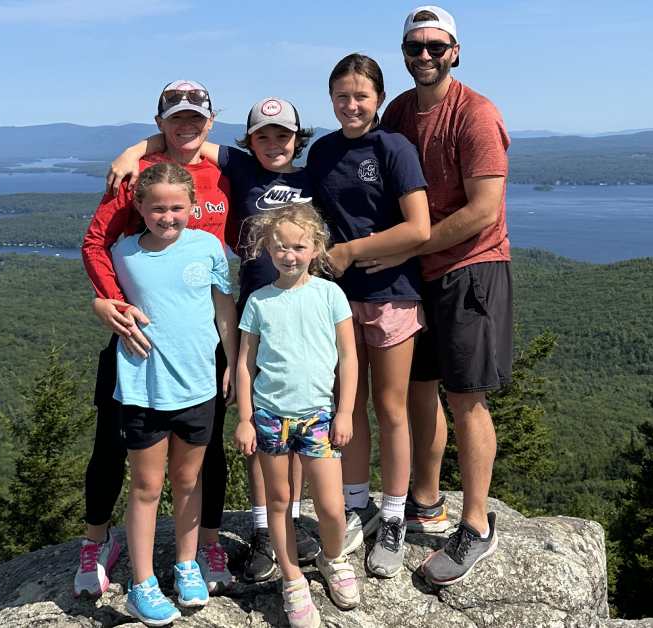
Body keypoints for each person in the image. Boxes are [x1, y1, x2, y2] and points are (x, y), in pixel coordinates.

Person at [106, 97, 323, 582]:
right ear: (249, 141)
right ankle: (265, 530)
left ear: (297, 137)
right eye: (262, 135)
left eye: (283, 135)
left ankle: (291, 522)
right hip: (257, 312)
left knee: (296, 415)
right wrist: (131, 152)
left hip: (306, 314)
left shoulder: (315, 176)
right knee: (260, 421)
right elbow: (186, 139)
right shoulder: (241, 166)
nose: (274, 144)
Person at [358, 6, 513, 586]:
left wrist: (409, 245)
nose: (424, 55)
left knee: (466, 396)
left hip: (471, 269)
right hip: (414, 273)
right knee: (419, 388)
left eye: (435, 46)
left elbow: (482, 210)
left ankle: (476, 526)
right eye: (414, 47)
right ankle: (425, 499)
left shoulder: (475, 114)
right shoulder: (397, 111)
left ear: (455, 51)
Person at [75, 79, 235, 598]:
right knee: (112, 445)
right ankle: (96, 541)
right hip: (138, 342)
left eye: (197, 119)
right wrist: (109, 300)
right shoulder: (135, 175)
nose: (187, 127)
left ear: (211, 122)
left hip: (202, 342)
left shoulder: (227, 171)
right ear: (159, 123)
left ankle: (203, 546)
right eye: (175, 119)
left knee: (205, 458)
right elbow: (98, 241)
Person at [304, 53, 430, 577]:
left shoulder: (394, 148)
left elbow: (419, 228)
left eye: (360, 96)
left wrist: (353, 251)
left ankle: (395, 516)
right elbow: (308, 215)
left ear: (378, 98)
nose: (351, 105)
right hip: (336, 298)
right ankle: (357, 505)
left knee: (390, 406)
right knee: (347, 406)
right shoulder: (323, 151)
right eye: (341, 96)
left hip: (392, 292)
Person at [109, 162, 238, 624]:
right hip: (144, 388)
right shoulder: (123, 253)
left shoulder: (209, 247)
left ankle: (187, 565)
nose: (168, 216)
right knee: (146, 486)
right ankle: (142, 583)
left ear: (193, 207)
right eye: (157, 207)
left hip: (198, 383)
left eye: (177, 207)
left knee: (189, 480)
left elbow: (225, 311)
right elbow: (103, 291)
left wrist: (235, 365)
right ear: (139, 207)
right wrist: (99, 303)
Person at [233, 204, 360, 628]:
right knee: (280, 501)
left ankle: (334, 558)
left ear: (316, 248)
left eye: (299, 246)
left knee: (329, 505)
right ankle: (292, 580)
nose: (289, 254)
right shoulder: (258, 301)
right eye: (280, 247)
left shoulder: (330, 295)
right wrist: (246, 418)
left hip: (319, 417)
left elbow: (349, 357)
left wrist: (344, 413)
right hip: (270, 416)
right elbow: (245, 364)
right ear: (268, 250)